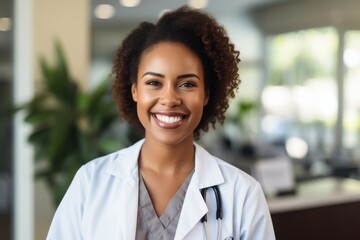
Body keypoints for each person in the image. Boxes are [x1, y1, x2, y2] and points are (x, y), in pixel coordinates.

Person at [47, 6, 275, 240]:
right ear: (135, 90)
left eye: (187, 84)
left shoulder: (243, 194)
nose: (169, 99)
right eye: (154, 83)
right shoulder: (91, 182)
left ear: (206, 94)